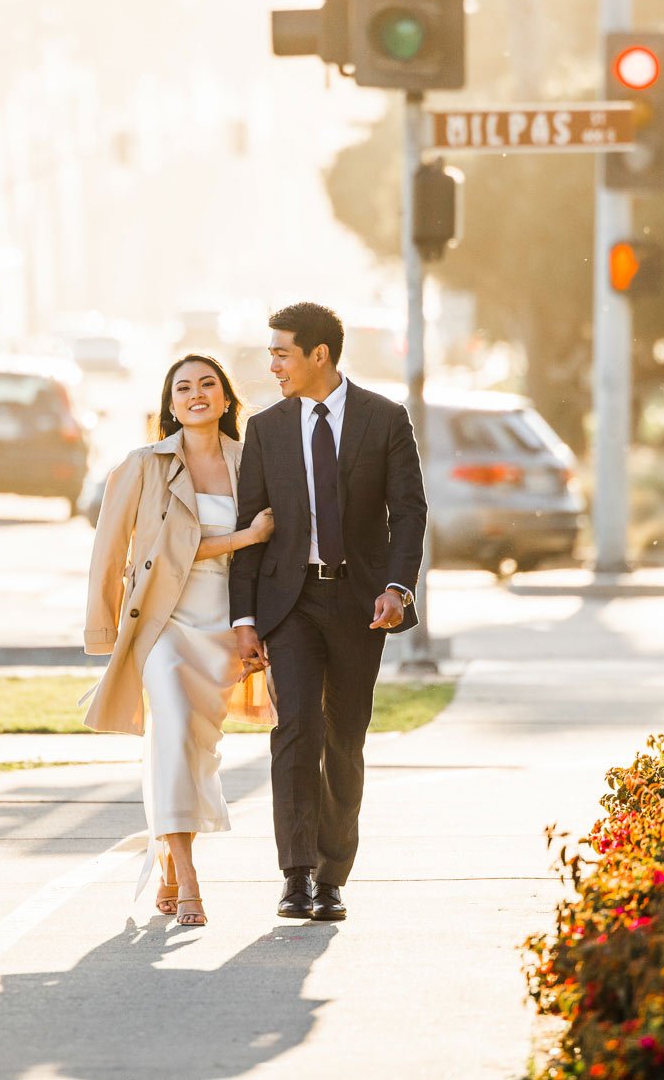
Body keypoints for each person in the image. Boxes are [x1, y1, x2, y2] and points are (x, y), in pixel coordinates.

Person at [229, 302, 427, 923]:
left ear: (319, 355)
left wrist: (396, 587)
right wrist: (244, 618)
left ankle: (333, 875)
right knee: (294, 732)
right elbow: (250, 528)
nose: (273, 365)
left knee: (344, 737)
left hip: (359, 602)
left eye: (282, 352)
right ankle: (296, 875)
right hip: (290, 602)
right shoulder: (265, 429)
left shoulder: (385, 419)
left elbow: (409, 511)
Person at [82, 354, 275, 928]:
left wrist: (261, 624)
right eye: (183, 388)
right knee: (168, 736)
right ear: (169, 405)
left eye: (207, 385)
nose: (196, 394)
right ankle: (188, 877)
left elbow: (273, 555)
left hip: (227, 624)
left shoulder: (253, 461)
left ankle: (168, 857)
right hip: (162, 624)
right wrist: (104, 627)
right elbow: (116, 552)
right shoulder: (144, 465)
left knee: (197, 749)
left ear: (225, 398)